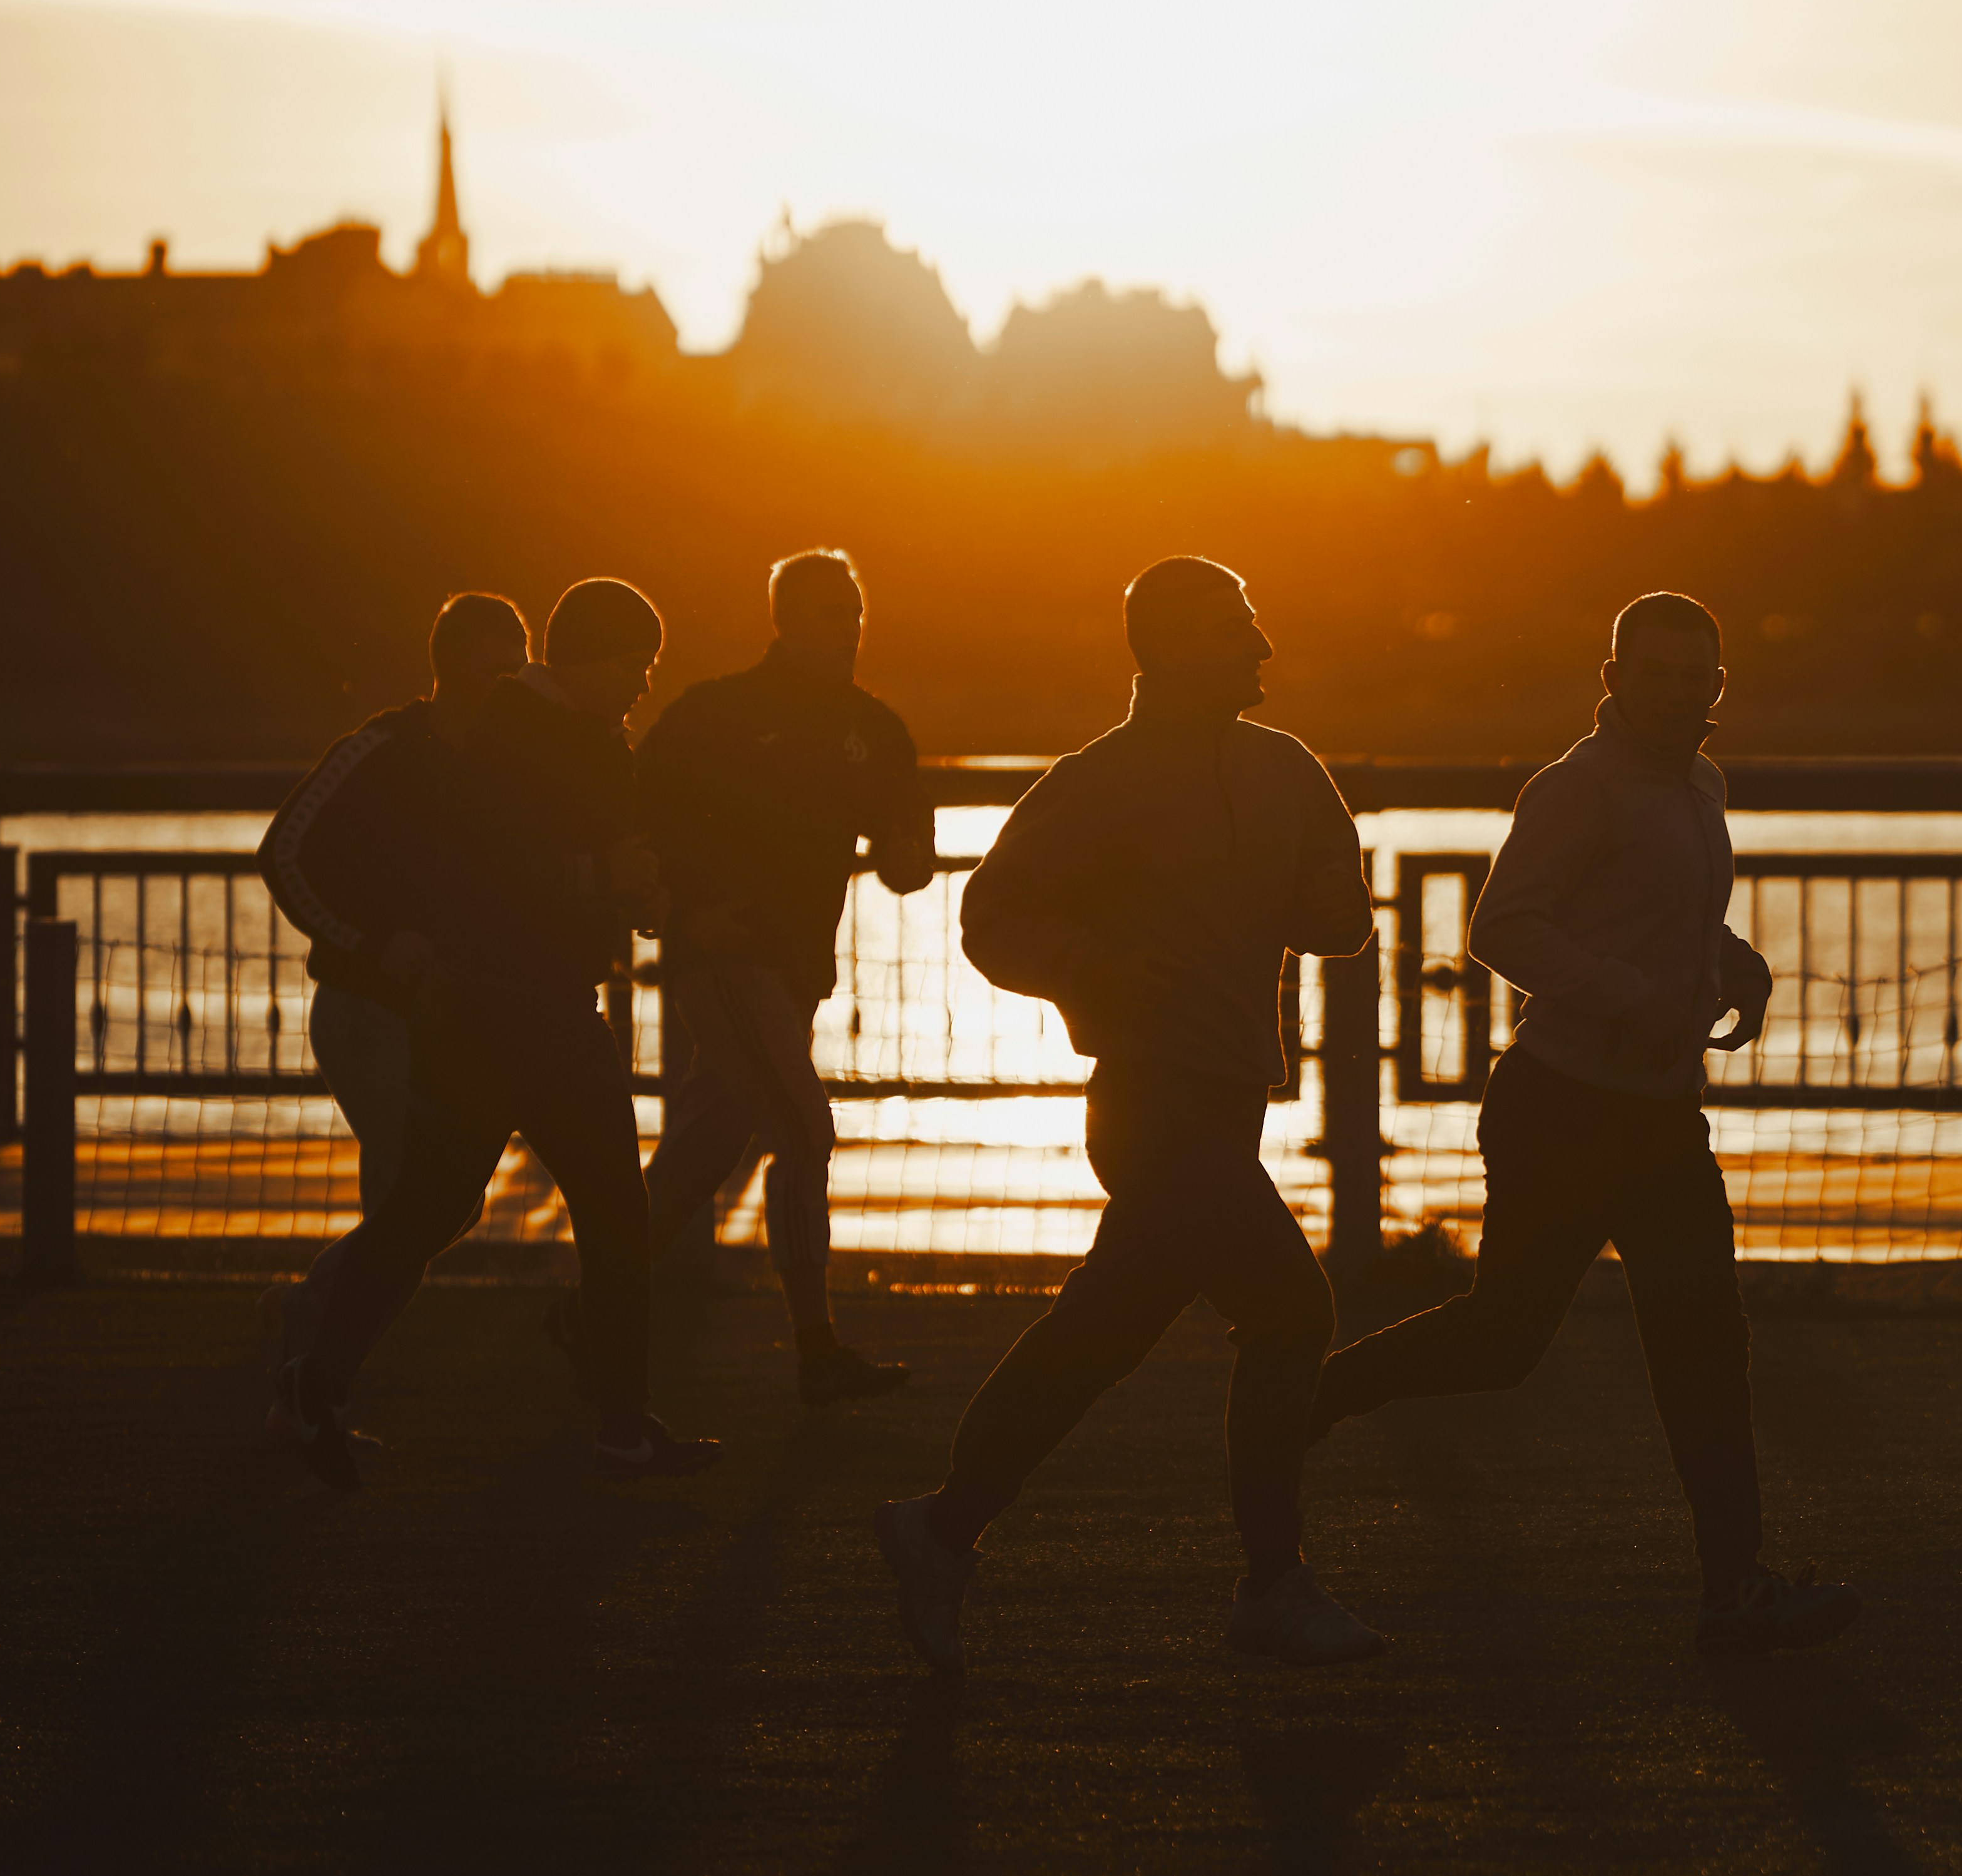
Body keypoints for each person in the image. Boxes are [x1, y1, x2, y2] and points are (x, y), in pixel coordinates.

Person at [1307, 593, 1861, 1657]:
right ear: (1611, 680)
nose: (1670, 692)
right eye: (1648, 672)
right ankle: (1316, 1397)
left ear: (1715, 687)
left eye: (1690, 673)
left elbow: (1668, 910)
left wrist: (1732, 963)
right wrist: (1629, 997)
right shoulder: (1576, 789)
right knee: (1502, 1339)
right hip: (1559, 1105)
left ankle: (1734, 1589)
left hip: (1656, 1117)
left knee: (1704, 1343)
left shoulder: (1699, 783)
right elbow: (1500, 927)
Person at [874, 556, 1382, 1671]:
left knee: (1098, 1333)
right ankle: (1271, 1582)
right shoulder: (1094, 781)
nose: (1259, 650)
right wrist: (1095, 967)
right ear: (1158, 649)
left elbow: (1336, 919)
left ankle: (940, 1527)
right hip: (1150, 1102)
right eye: (1230, 631)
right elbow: (990, 916)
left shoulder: (1284, 768)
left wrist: (1335, 902)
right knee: (1292, 1311)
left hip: (1225, 1097)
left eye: (1252, 627)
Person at [270, 578, 723, 1491]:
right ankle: (621, 1427)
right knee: (606, 1215)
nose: (643, 684)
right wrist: (604, 875)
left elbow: (567, 861)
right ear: (589, 659)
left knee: (433, 1209)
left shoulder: (574, 735)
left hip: (493, 1014)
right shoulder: (518, 738)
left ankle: (313, 1389)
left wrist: (640, 891)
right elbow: (479, 872)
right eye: (635, 663)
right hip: (522, 1012)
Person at [633, 548, 931, 1404]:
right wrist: (687, 913)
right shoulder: (713, 714)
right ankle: (816, 1348)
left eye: (853, 614)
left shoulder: (872, 729)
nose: (846, 630)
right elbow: (632, 810)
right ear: (783, 621)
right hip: (725, 963)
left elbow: (905, 837)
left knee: (706, 1144)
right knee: (801, 1133)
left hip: (796, 973)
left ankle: (591, 1308)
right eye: (827, 614)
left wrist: (907, 854)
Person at [256, 592, 529, 1373]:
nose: (505, 685)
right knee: (416, 1199)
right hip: (366, 1010)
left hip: (443, 1022)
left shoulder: (504, 766)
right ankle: (319, 1379)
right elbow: (282, 854)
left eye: (516, 669)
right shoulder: (378, 746)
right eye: (493, 667)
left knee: (446, 1202)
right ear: (450, 666)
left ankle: (309, 1322)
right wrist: (374, 946)